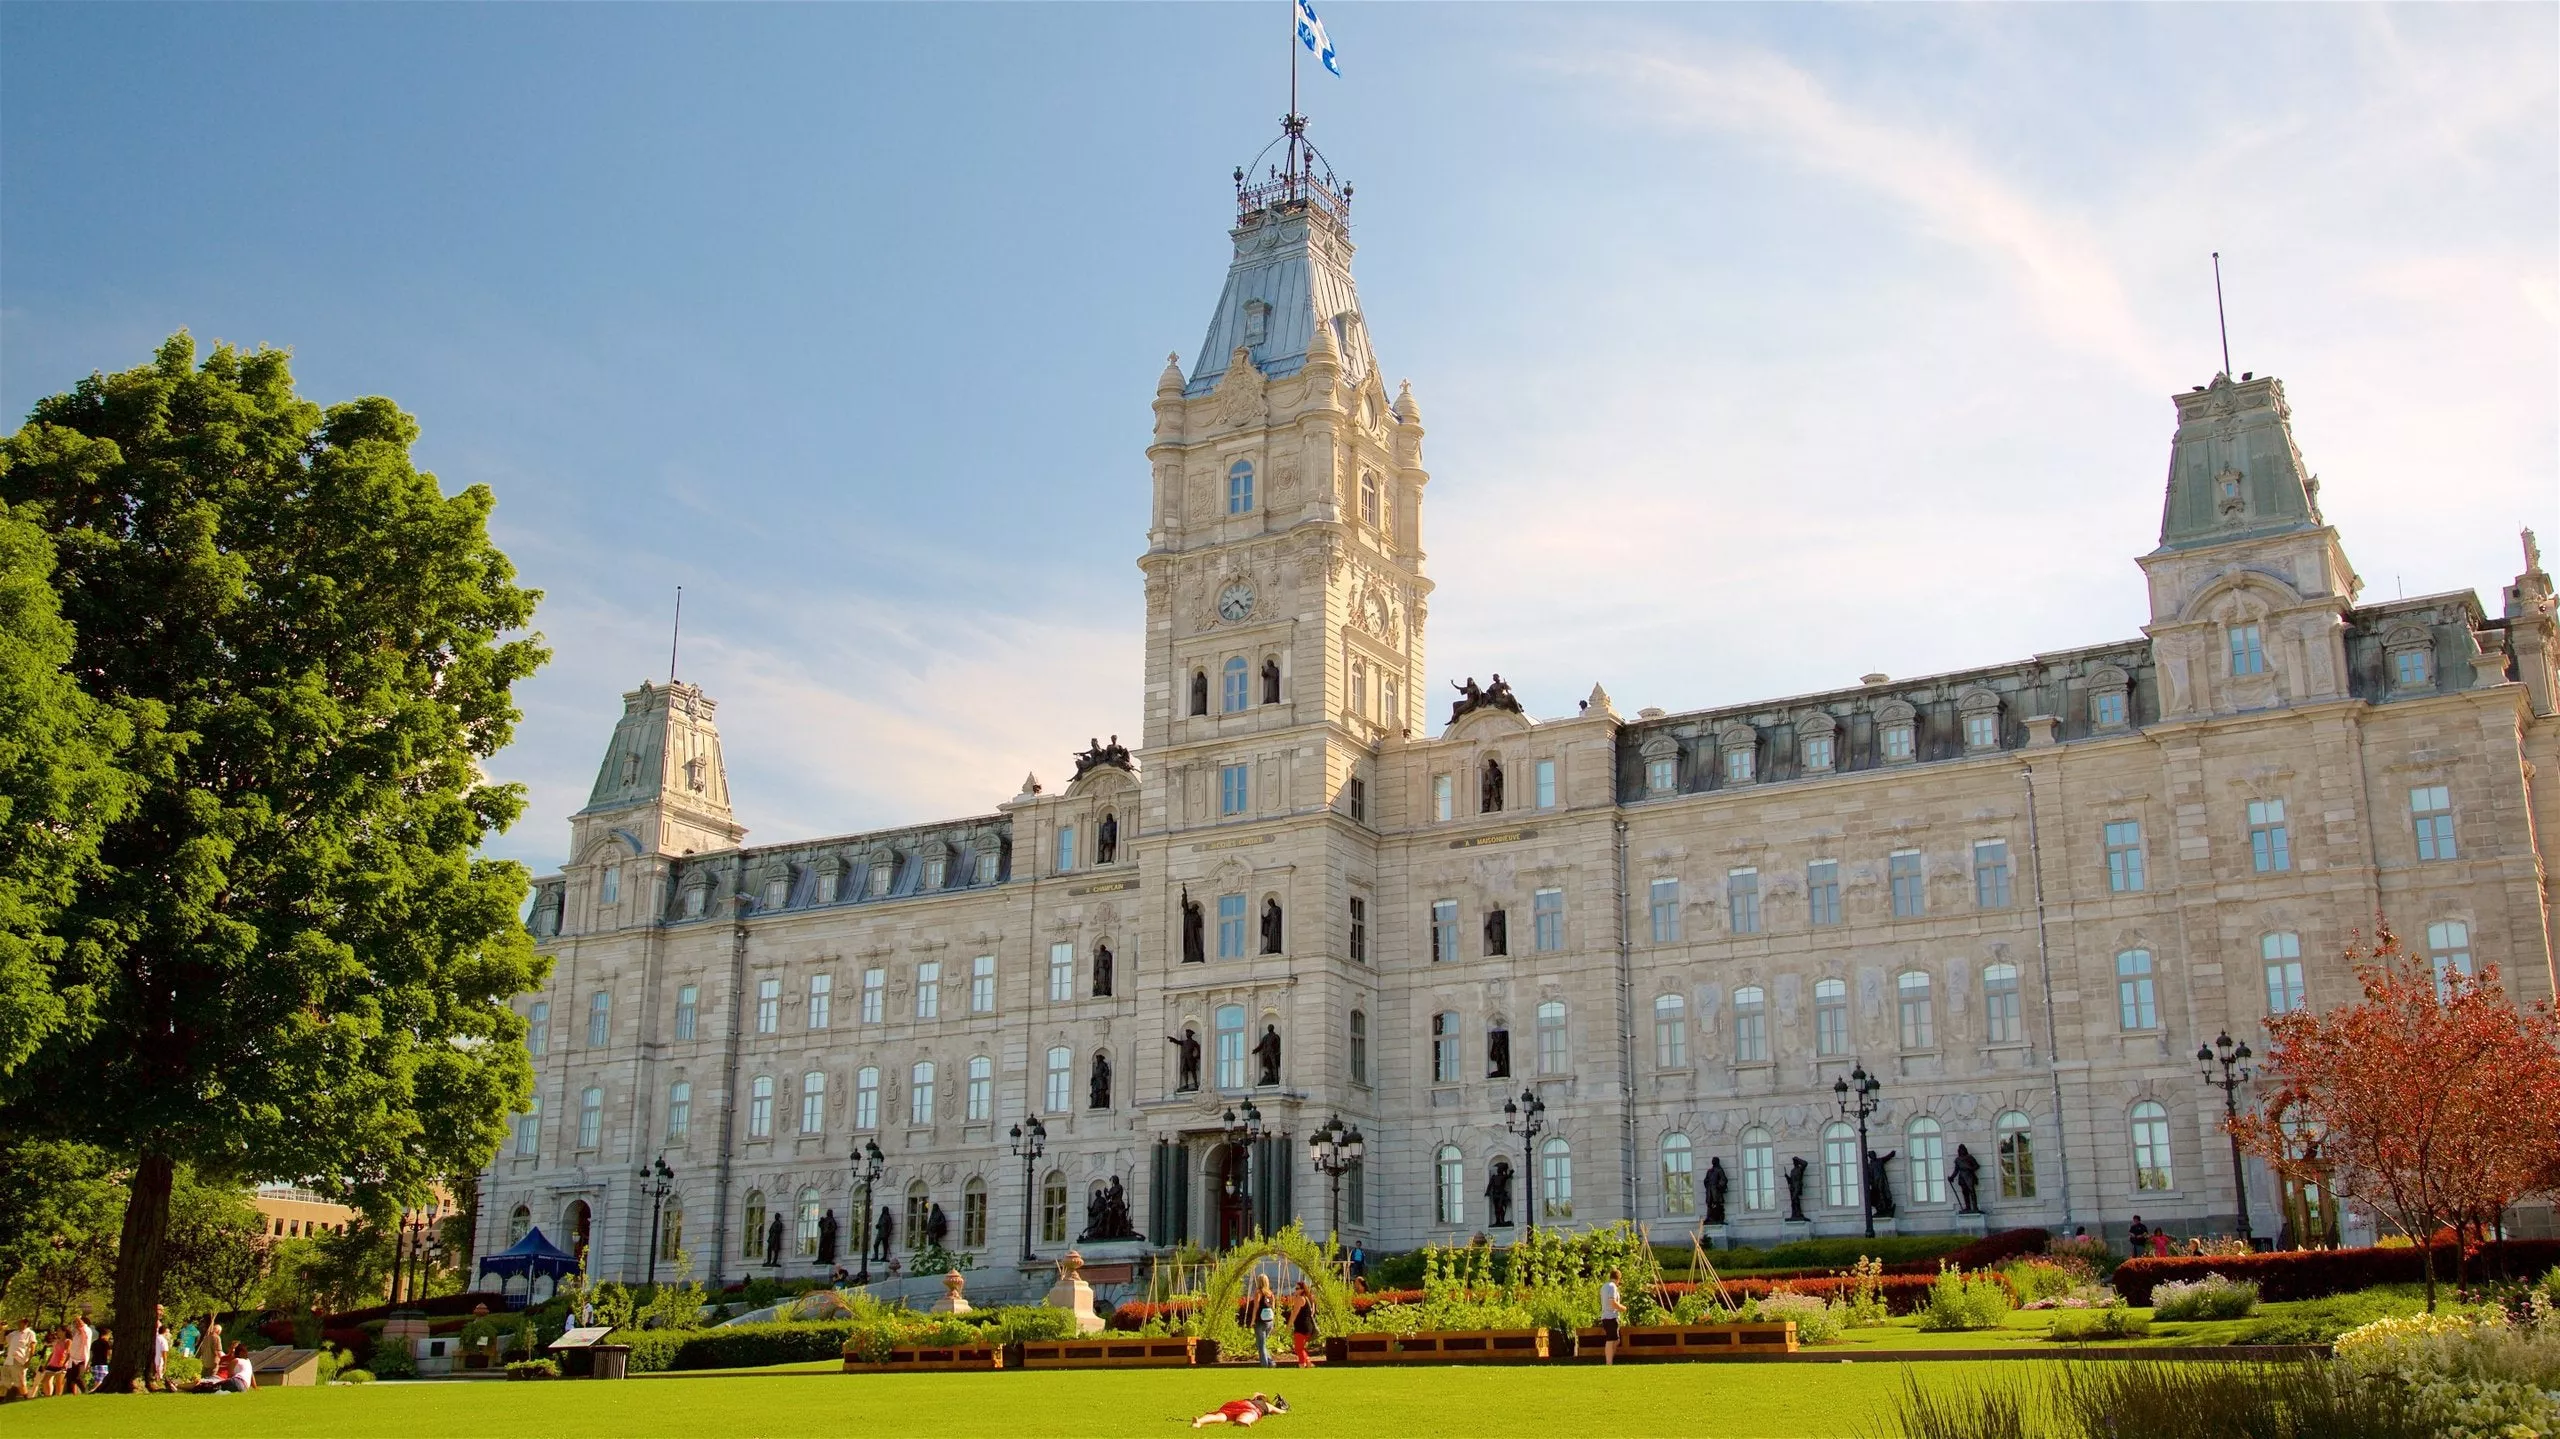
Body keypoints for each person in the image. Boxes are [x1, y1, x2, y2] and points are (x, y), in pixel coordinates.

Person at [1191, 1392, 1288, 1428]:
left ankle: (1199, 1422)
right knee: (1248, 1415)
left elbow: (1256, 1393)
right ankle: (1242, 1421)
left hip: (1233, 1406)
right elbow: (1281, 1412)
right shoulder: (1266, 1405)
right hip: (1251, 1408)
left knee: (1220, 1416)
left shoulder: (1247, 1399)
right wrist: (1284, 1410)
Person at [1248, 1275, 1276, 1368]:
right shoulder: (1270, 1293)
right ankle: (1270, 1362)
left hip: (1260, 1321)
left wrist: (1252, 1321)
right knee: (1262, 1344)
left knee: (1261, 1344)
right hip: (1269, 1321)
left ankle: (1265, 1365)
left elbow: (1255, 1307)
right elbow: (1273, 1307)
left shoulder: (1258, 1293)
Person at [4, 1316, 35, 1399]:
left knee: (20, 1383)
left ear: (26, 1323)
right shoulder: (14, 1333)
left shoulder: (30, 1333)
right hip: (8, 1360)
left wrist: (28, 1361)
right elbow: (2, 1341)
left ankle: (26, 1399)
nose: (18, 1322)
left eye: (20, 1321)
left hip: (19, 1360)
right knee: (4, 1382)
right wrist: (2, 1330)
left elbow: (33, 1348)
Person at [1598, 1269, 1624, 1367]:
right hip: (1611, 1317)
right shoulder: (1612, 1287)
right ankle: (1609, 1363)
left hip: (1606, 1316)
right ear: (1618, 1278)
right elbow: (1612, 1303)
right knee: (1610, 1340)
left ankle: (1610, 1360)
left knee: (1616, 1340)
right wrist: (1622, 1308)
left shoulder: (1604, 1286)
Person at [1287, 1280, 1316, 1369]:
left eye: (1297, 1289)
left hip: (1301, 1327)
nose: (1295, 1290)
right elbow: (1312, 1312)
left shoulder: (1300, 1299)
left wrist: (1289, 1325)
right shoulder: (1308, 1299)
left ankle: (1302, 1364)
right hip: (1308, 1326)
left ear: (1302, 1290)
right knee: (1300, 1347)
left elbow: (1294, 1313)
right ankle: (1308, 1363)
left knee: (1299, 1348)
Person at [65, 1311, 91, 1395]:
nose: (76, 1324)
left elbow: (83, 1329)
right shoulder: (77, 1333)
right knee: (69, 1378)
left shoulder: (86, 1331)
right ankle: (69, 1394)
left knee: (77, 1377)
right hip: (73, 1358)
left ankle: (85, 1392)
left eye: (77, 1323)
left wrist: (78, 1318)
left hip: (81, 1358)